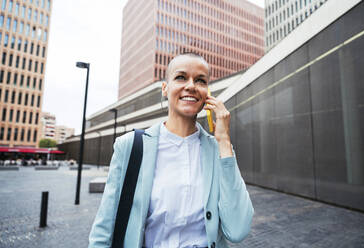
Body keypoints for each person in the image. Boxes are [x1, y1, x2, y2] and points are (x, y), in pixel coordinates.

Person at [89, 53, 254, 248]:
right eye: (181, 77)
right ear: (165, 89)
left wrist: (224, 141)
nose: (191, 86)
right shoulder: (130, 146)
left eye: (200, 80)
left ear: (207, 94)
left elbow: (238, 230)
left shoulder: (218, 149)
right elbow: (104, 226)